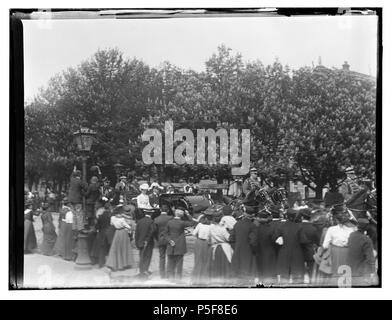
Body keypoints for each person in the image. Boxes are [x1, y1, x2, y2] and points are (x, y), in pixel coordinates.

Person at [322, 210, 356, 284]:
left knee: (336, 272)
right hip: (348, 252)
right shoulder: (352, 230)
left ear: (336, 220)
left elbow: (325, 246)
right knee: (347, 272)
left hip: (335, 252)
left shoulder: (331, 229)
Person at [274, 209, 306, 285]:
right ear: (295, 216)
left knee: (283, 278)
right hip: (296, 254)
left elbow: (274, 238)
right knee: (297, 279)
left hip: (283, 253)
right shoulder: (299, 227)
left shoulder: (281, 226)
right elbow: (303, 240)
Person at [164, 209, 197, 281]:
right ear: (182, 215)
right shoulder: (182, 223)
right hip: (180, 244)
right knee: (179, 262)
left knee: (170, 261)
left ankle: (170, 277)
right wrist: (188, 214)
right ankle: (178, 278)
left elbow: (165, 233)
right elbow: (193, 223)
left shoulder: (169, 222)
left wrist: (170, 240)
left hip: (171, 244)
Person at [230, 210, 258, 285]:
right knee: (248, 273)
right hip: (248, 251)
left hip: (238, 250)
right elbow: (253, 241)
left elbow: (231, 238)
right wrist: (255, 251)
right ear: (252, 216)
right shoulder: (252, 226)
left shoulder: (237, 224)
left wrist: (235, 247)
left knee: (239, 274)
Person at [347, 218, 376, 286]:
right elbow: (370, 258)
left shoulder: (351, 235)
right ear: (366, 227)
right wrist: (372, 272)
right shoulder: (367, 240)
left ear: (357, 226)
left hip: (350, 268)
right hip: (362, 272)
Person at [206, 213, 233, 285]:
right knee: (225, 265)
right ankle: (225, 280)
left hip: (215, 247)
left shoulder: (211, 228)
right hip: (224, 247)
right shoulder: (223, 229)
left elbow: (208, 239)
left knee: (216, 264)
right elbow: (229, 238)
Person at [106, 207, 134, 271]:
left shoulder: (112, 218)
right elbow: (128, 226)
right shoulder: (122, 219)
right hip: (123, 232)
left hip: (117, 232)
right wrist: (130, 227)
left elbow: (111, 224)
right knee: (124, 248)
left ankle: (115, 264)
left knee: (116, 248)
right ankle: (124, 264)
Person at [254, 211, 278, 285]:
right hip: (270, 252)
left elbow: (253, 242)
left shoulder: (255, 229)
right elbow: (275, 240)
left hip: (259, 253)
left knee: (261, 273)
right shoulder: (272, 229)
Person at [299, 208, 320, 283]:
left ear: (301, 217)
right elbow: (318, 242)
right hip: (310, 252)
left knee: (300, 273)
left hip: (299, 252)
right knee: (311, 272)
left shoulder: (298, 226)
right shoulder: (313, 228)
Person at [91, 199, 112, 268]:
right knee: (104, 248)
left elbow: (97, 226)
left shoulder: (100, 216)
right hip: (107, 233)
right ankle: (101, 263)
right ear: (109, 208)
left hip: (100, 232)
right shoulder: (110, 216)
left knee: (97, 247)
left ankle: (95, 261)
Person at [135, 208, 156, 278]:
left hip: (140, 242)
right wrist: (147, 240)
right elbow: (152, 232)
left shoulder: (139, 221)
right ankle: (145, 270)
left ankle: (141, 270)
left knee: (141, 256)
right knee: (147, 257)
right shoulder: (151, 222)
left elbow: (136, 233)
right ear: (151, 214)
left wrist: (137, 242)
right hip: (148, 243)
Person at [153, 204, 173, 279]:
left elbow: (154, 231)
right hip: (169, 239)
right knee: (170, 257)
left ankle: (162, 275)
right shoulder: (171, 218)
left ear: (160, 210)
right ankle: (169, 274)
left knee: (162, 257)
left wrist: (157, 239)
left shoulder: (156, 219)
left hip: (160, 239)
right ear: (167, 210)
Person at [191, 214, 211, 285]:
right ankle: (203, 279)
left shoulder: (200, 225)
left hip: (199, 242)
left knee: (198, 260)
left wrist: (198, 236)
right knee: (205, 260)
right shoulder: (211, 226)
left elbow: (194, 233)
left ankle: (196, 279)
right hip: (207, 243)